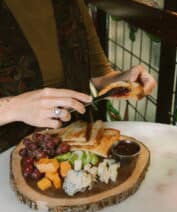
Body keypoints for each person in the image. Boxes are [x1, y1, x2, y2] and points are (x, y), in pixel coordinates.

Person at [0, 0, 156, 152]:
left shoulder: (73, 4)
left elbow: (101, 77)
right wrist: (14, 107)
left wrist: (124, 81)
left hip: (76, 142)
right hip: (9, 151)